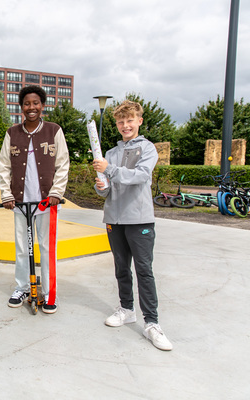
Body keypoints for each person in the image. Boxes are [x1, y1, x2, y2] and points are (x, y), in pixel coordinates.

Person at [93, 100, 172, 351]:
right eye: (120, 122)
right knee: (121, 269)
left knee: (144, 271)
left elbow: (140, 176)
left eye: (130, 120)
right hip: (114, 220)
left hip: (139, 220)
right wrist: (100, 186)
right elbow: (105, 189)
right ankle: (126, 309)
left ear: (139, 120)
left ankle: (152, 323)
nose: (125, 125)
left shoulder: (148, 149)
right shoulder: (111, 153)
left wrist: (110, 171)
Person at [0, 85, 69, 314]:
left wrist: (56, 192)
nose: (31, 108)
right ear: (21, 106)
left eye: (36, 103)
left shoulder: (53, 130)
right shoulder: (12, 133)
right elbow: (4, 165)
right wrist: (7, 194)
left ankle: (48, 292)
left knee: (47, 248)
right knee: (21, 247)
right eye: (27, 103)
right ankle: (22, 287)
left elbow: (62, 164)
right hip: (20, 203)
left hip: (46, 203)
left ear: (42, 105)